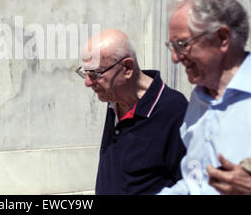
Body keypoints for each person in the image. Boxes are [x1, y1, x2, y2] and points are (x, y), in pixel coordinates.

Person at [159, 0, 251, 195]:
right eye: (172, 46)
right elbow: (194, 183)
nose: (175, 58)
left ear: (222, 38)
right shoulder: (198, 101)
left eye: (183, 44)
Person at [76, 29, 188, 194]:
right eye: (85, 73)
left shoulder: (173, 109)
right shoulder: (114, 100)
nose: (87, 82)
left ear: (127, 68)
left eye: (95, 74)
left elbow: (191, 183)